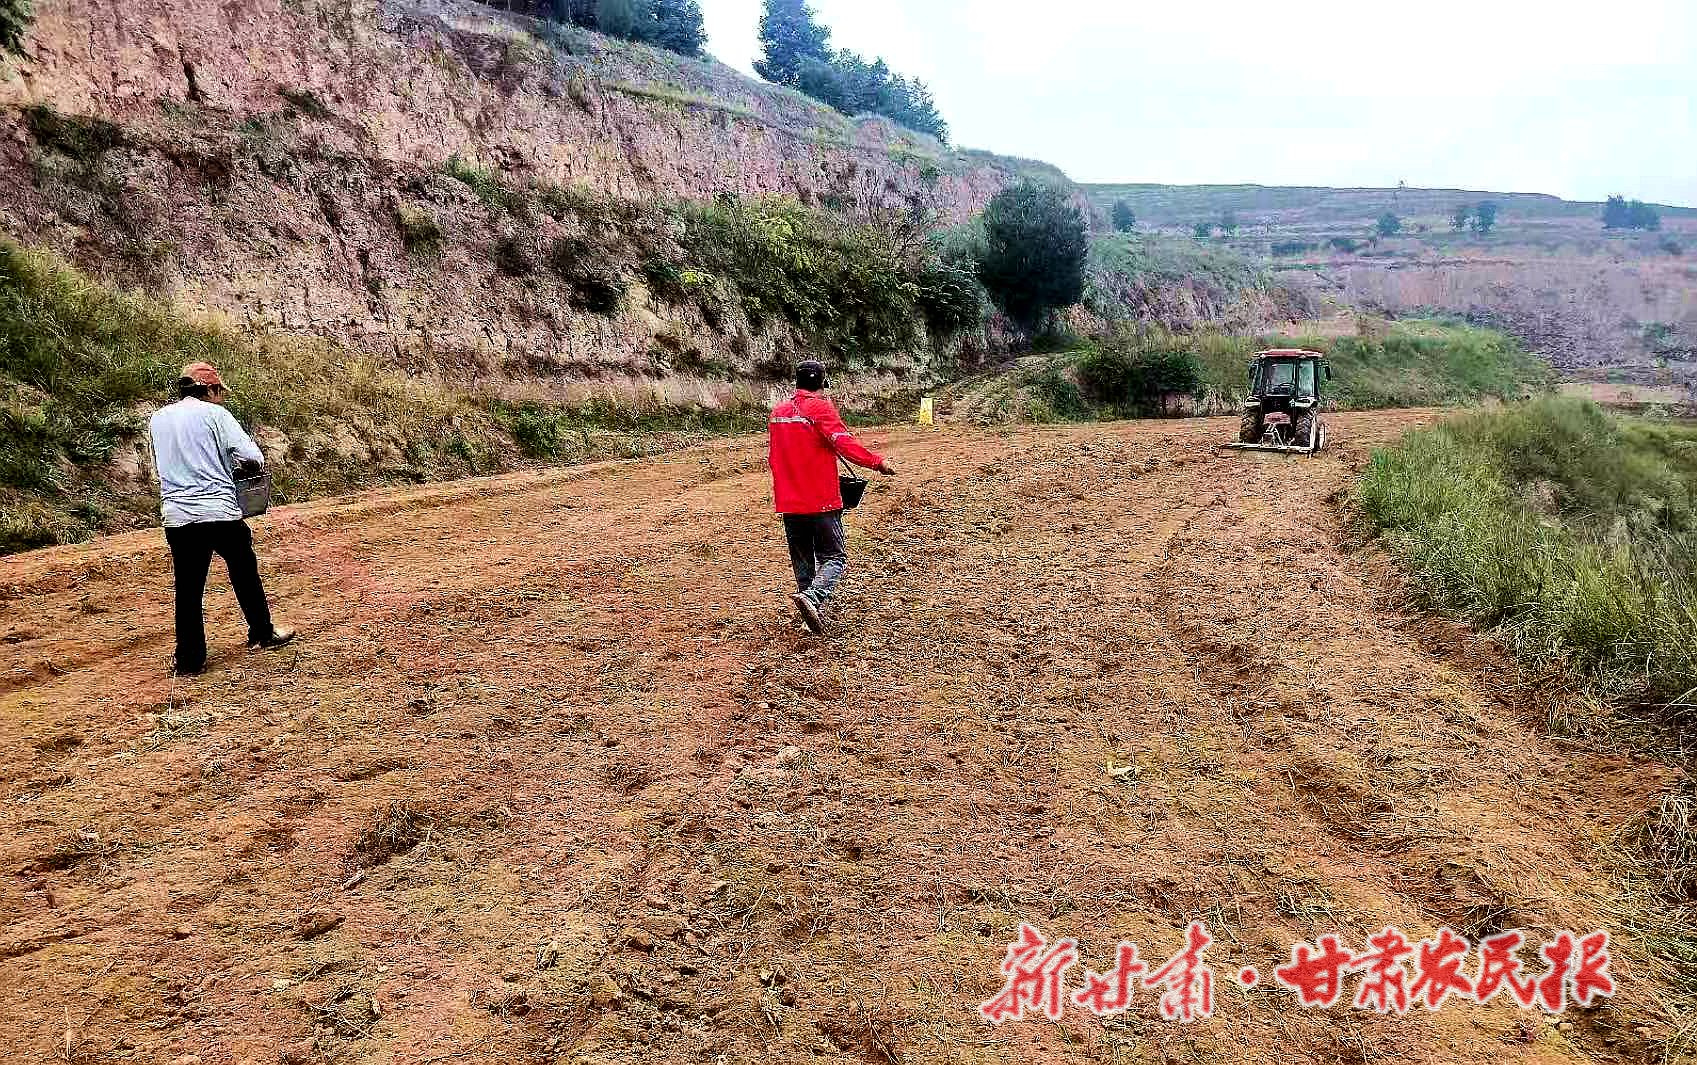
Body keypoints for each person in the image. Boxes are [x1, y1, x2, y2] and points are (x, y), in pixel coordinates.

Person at [149, 362, 295, 676]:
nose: (221, 398)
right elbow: (251, 457)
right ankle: (261, 632)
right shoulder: (216, 415)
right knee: (244, 572)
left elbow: (157, 467)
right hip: (218, 510)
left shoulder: (158, 419)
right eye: (219, 393)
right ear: (210, 389)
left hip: (177, 516)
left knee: (188, 588)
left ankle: (190, 659)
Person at [768, 360, 895, 633]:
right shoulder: (820, 408)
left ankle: (808, 614)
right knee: (835, 558)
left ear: (797, 382)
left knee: (802, 560)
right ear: (822, 384)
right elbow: (843, 443)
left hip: (789, 501)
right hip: (821, 499)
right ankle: (813, 597)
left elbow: (775, 457)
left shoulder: (778, 413)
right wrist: (877, 463)